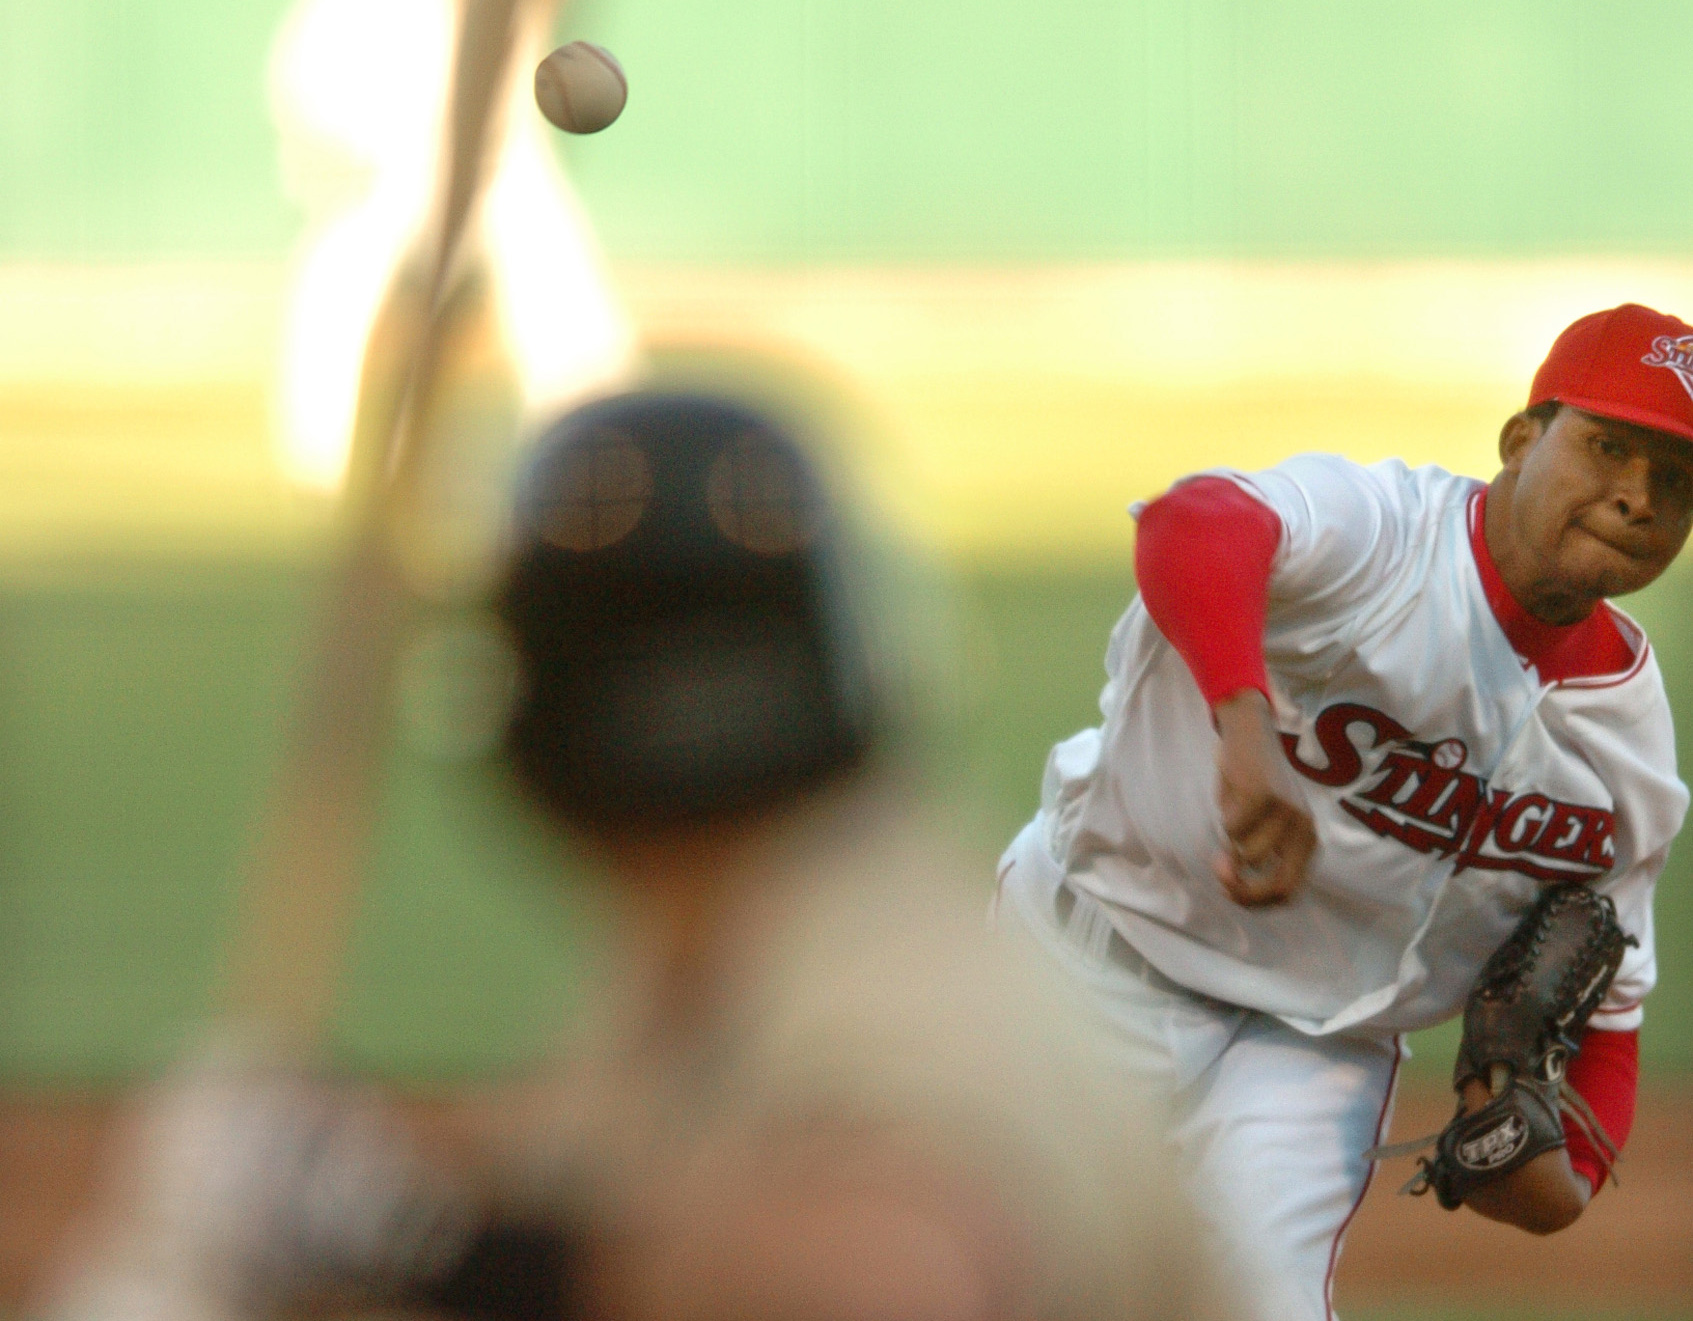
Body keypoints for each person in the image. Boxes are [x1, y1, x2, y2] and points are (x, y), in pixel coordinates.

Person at [46, 387, 1218, 1321]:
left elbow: (890, 1284)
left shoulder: (894, 977)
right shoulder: (726, 951)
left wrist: (399, 1230)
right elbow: (594, 1231)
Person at [993, 303, 1693, 1321]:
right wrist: (1243, 725)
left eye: (1673, 481)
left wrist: (1559, 1182)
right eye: (1606, 448)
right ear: (1520, 441)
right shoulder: (1383, 532)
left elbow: (1611, 1010)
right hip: (1096, 962)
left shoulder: (1625, 745)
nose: (1634, 498)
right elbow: (1193, 524)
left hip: (1315, 1049)